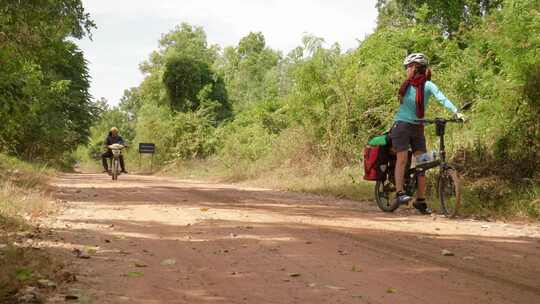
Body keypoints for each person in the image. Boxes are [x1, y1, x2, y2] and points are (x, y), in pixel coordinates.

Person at [390, 53, 464, 214]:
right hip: (401, 125)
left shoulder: (428, 85)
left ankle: (421, 200)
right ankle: (399, 193)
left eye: (408, 67)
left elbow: (442, 98)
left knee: (422, 163)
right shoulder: (406, 85)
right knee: (402, 159)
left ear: (415, 68)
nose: (406, 70)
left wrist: (456, 112)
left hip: (418, 127)